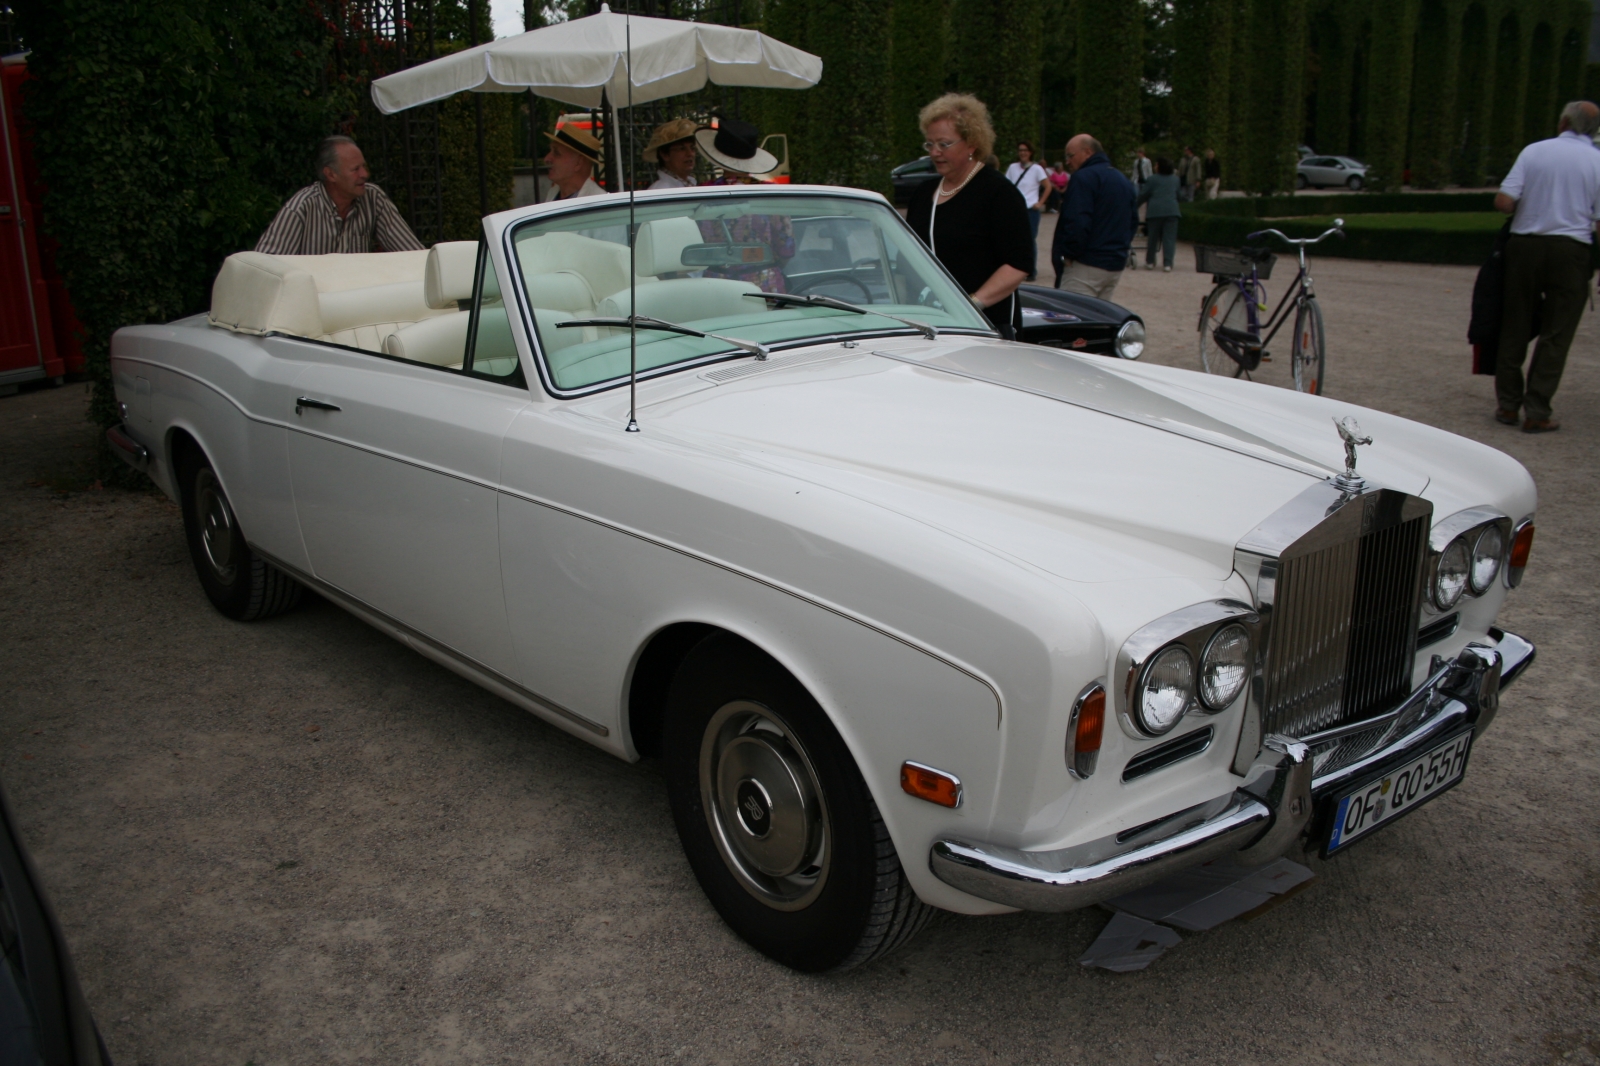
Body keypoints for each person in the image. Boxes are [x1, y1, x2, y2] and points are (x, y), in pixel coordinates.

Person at [1491, 100, 1600, 432]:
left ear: (1563, 121)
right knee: (1557, 333)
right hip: (1572, 250)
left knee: (1515, 325)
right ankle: (1537, 410)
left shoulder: (1534, 151)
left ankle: (1508, 406)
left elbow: (1504, 201)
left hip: (1525, 247)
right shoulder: (1597, 160)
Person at [904, 93, 1035, 336]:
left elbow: (1018, 264)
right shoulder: (923, 194)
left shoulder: (999, 194)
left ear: (972, 144)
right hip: (929, 322)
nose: (934, 152)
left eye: (944, 144)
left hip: (985, 325)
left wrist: (971, 305)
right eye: (930, 144)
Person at [255, 135, 424, 255]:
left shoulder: (372, 198)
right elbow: (266, 267)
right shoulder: (302, 208)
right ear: (330, 175)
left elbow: (413, 255)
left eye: (364, 166)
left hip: (357, 299)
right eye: (355, 169)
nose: (365, 174)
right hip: (313, 300)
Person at [693, 119, 794, 293]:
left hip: (716, 285)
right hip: (764, 284)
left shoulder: (700, 193)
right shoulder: (770, 194)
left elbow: (692, 247)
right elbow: (786, 247)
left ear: (718, 155)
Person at [1050, 133, 1138, 300]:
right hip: (1114, 265)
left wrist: (1069, 254)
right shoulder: (1122, 179)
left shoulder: (1083, 178)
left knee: (1073, 320)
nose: (1067, 161)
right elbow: (1132, 221)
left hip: (1085, 264)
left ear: (1088, 152)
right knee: (1098, 319)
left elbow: (1077, 221)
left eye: (1070, 155)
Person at [1005, 142, 1050, 280]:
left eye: (1025, 150)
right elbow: (1007, 185)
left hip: (1030, 209)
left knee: (1029, 240)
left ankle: (1030, 270)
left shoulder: (1036, 169)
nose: (1022, 153)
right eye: (1020, 150)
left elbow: (1048, 187)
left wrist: (1040, 203)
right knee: (1013, 239)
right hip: (1015, 209)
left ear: (1030, 152)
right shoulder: (1013, 168)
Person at [543, 120, 606, 201]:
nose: (547, 158)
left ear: (578, 163)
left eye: (556, 153)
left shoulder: (598, 202)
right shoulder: (553, 193)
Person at [1139, 157, 1182, 271]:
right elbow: (1179, 195)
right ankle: (1168, 263)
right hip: (1172, 211)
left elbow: (1144, 195)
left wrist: (1133, 206)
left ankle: (1150, 261)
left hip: (1155, 211)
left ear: (1159, 167)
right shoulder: (1175, 180)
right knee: (1169, 238)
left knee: (1153, 238)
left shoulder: (1152, 179)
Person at [643, 117, 699, 190]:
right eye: (682, 149)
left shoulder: (688, 184)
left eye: (692, 148)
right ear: (664, 155)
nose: (690, 154)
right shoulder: (661, 190)